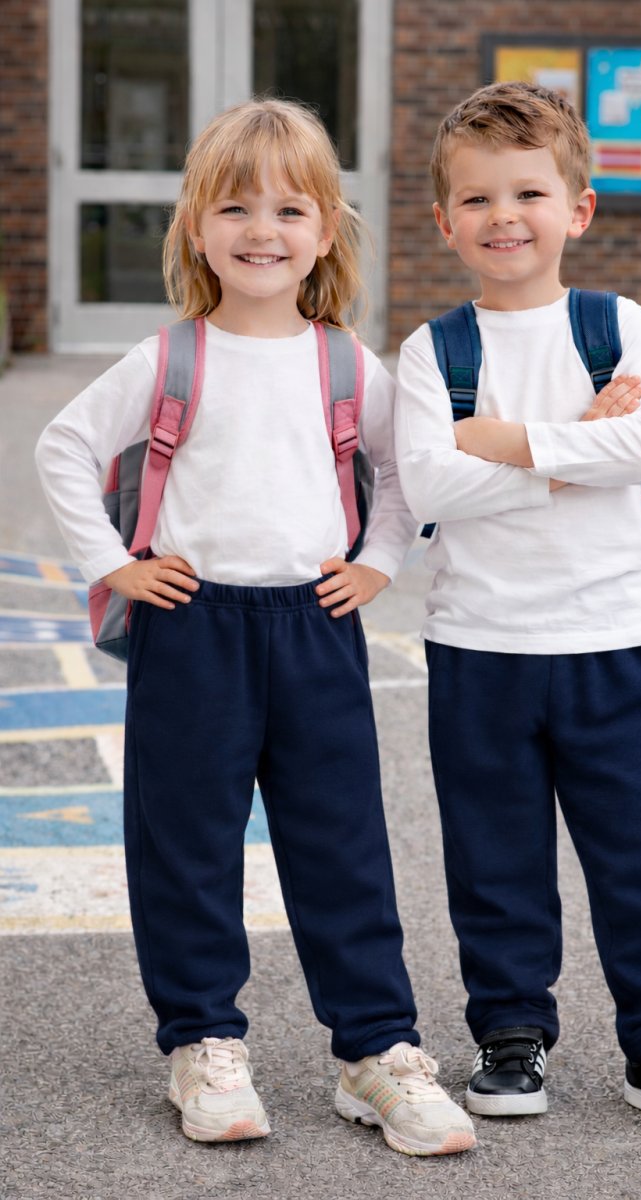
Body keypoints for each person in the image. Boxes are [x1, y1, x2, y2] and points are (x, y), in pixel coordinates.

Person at [35, 97, 475, 1158]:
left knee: (340, 842)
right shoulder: (167, 357)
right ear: (196, 229)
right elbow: (61, 447)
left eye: (287, 208)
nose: (260, 230)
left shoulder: (344, 363)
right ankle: (203, 1042)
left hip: (313, 625)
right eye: (233, 207)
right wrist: (115, 566)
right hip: (193, 627)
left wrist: (378, 562)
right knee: (184, 841)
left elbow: (397, 469)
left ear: (325, 230)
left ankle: (375, 1051)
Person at [394, 81, 641, 1142]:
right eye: (476, 200)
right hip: (479, 648)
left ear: (577, 208)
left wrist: (498, 441)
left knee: (640, 857)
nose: (502, 217)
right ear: (443, 221)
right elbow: (425, 487)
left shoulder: (614, 324)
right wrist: (568, 449)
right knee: (493, 860)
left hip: (613, 644)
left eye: (527, 193)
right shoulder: (432, 351)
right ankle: (510, 1035)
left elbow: (640, 450)